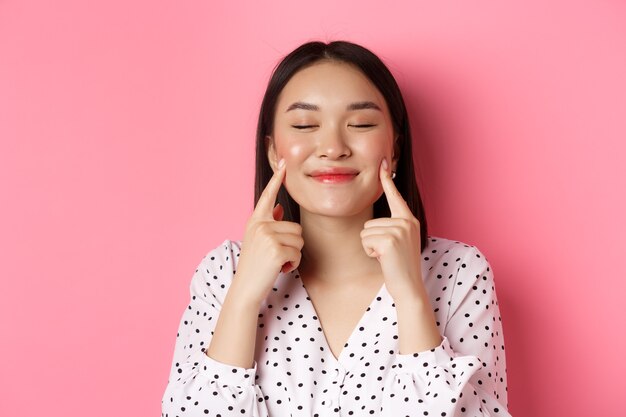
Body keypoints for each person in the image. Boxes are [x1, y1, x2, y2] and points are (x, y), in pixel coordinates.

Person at [161, 40, 510, 416]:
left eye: (360, 124)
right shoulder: (223, 272)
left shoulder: (458, 272)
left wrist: (410, 296)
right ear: (273, 151)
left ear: (393, 148)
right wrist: (244, 297)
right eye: (304, 125)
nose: (333, 147)